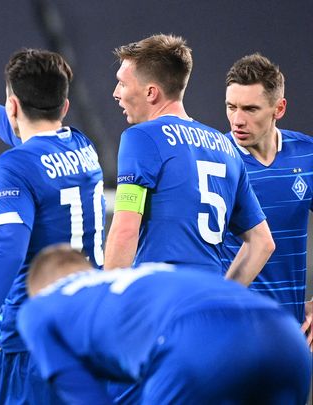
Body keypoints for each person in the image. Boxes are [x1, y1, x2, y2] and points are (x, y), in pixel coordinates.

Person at [0, 49, 106, 404]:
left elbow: (8, 250)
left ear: (13, 105)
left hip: (28, 338)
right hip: (87, 328)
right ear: (65, 106)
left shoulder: (13, 167)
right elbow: (27, 140)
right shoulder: (84, 148)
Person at [18, 244, 312, 404]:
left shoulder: (39, 307)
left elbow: (82, 393)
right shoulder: (137, 278)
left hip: (195, 341)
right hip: (282, 331)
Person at [104, 34, 274, 286]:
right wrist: (223, 294)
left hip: (161, 300)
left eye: (122, 84)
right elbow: (262, 242)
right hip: (207, 305)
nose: (116, 93)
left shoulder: (142, 138)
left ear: (151, 92)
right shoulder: (226, 147)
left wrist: (103, 305)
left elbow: (125, 230)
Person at [221, 53, 313, 349]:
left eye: (250, 109)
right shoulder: (217, 160)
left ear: (279, 108)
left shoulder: (307, 154)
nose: (237, 119)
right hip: (232, 332)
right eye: (231, 107)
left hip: (292, 338)